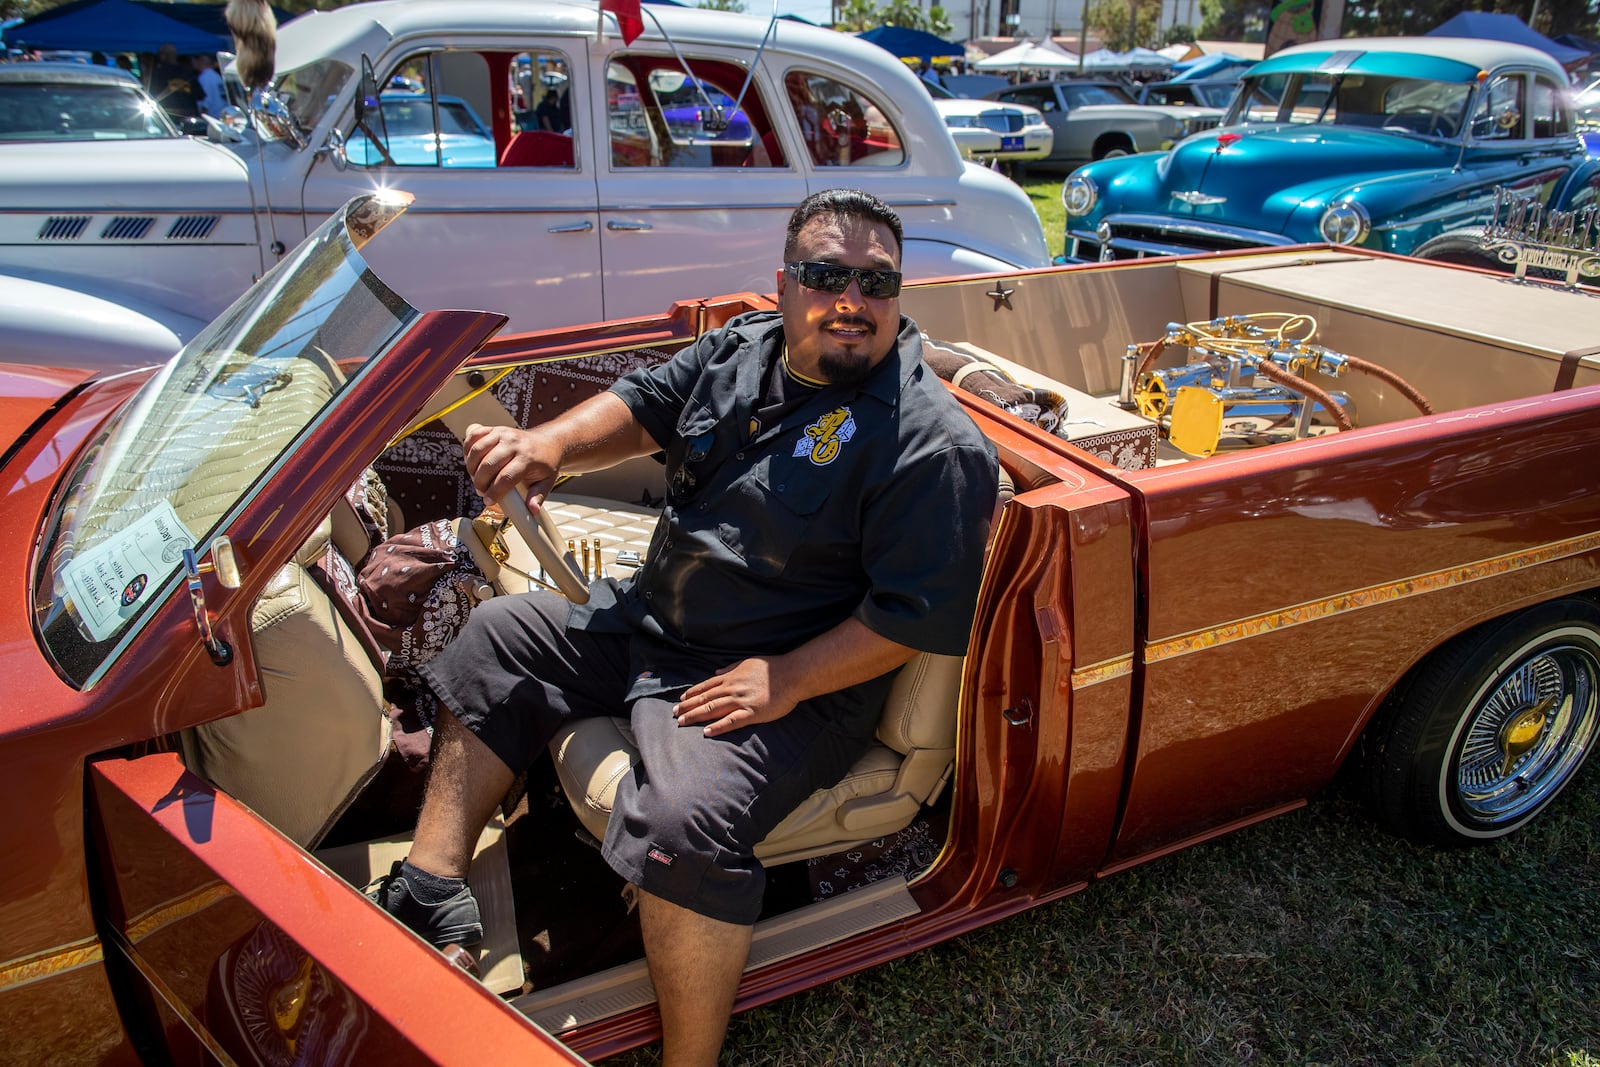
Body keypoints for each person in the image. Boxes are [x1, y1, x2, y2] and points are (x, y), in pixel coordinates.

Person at [370, 188, 998, 1065]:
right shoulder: (746, 349)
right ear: (784, 286)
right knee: (497, 639)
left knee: (680, 824)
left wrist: (785, 679)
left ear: (898, 294)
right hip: (657, 622)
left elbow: (911, 621)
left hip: (787, 679)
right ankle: (432, 886)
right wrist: (549, 442)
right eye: (826, 276)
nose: (851, 300)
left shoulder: (931, 445)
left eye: (875, 281)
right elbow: (644, 403)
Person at [147, 42, 198, 122]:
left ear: (163, 55)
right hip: (188, 117)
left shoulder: (158, 73)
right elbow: (199, 95)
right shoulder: (187, 72)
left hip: (167, 117)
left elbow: (151, 94)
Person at [193, 53, 226, 118]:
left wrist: (202, 116)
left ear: (201, 62)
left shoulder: (204, 77)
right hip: (222, 113)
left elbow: (206, 99)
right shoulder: (217, 76)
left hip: (212, 116)